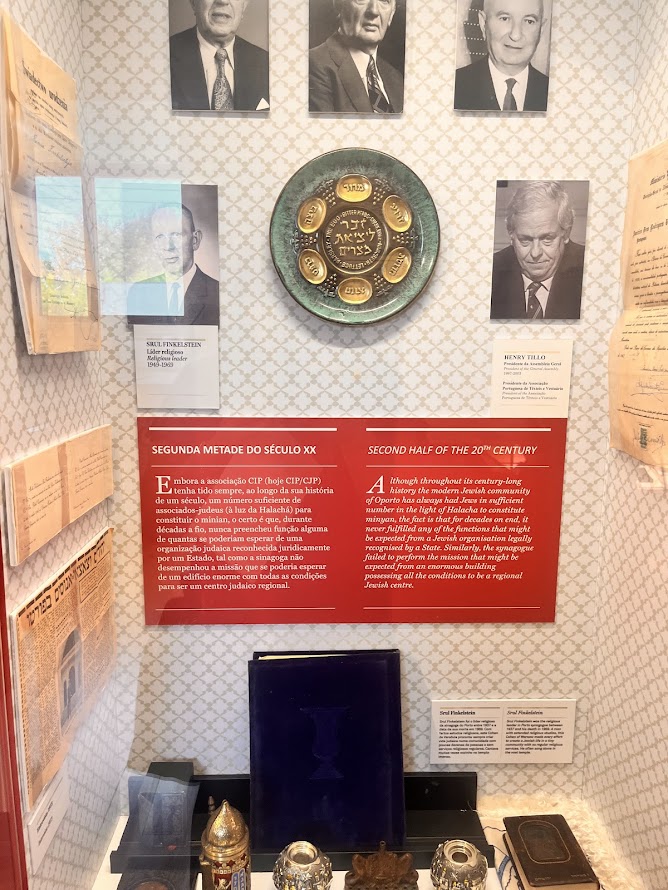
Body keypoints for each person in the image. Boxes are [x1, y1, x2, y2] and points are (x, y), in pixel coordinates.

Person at [490, 181, 585, 320]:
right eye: (525, 240)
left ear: (566, 234)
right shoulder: (491, 271)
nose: (535, 253)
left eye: (547, 239)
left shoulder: (589, 269)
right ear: (511, 235)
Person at [127, 204, 219, 325]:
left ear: (195, 240)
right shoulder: (138, 292)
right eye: (160, 237)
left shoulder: (217, 292)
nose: (168, 246)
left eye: (177, 235)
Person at [170, 0, 269, 111]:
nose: (223, 1)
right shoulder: (164, 56)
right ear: (193, 3)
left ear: (244, 7)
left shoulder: (266, 62)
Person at [309, 0, 403, 113]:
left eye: (384, 0)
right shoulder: (313, 65)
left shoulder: (396, 78)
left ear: (391, 14)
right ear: (339, 6)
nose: (374, 11)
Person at [454, 0, 549, 112]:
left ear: (541, 29)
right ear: (483, 24)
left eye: (529, 21)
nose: (516, 35)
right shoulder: (456, 86)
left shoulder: (552, 91)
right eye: (504, 18)